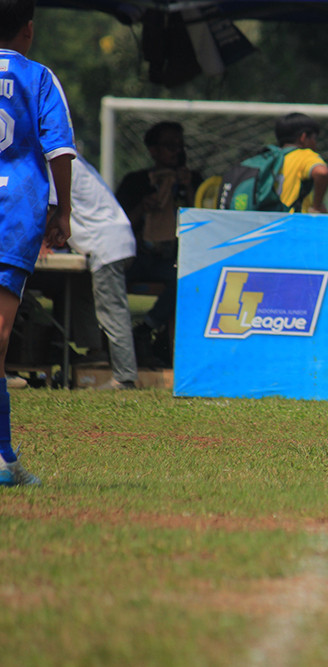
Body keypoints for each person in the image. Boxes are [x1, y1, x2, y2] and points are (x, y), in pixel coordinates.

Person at [0, 0, 76, 485]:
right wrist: (62, 210)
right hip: (13, 210)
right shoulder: (39, 77)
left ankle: (4, 453)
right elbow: (60, 148)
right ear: (28, 30)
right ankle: (3, 457)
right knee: (0, 331)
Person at [116, 121, 202, 365]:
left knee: (188, 279)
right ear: (153, 150)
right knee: (109, 277)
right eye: (169, 146)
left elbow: (204, 221)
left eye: (179, 146)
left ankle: (147, 329)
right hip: (139, 255)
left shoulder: (193, 179)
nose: (176, 151)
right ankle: (116, 342)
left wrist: (187, 188)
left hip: (174, 258)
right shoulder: (135, 181)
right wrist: (143, 207)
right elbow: (118, 224)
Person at [62, 156, 139, 389]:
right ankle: (95, 352)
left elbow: (51, 208)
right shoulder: (74, 162)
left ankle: (124, 377)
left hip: (107, 247)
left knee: (112, 311)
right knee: (85, 295)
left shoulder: (60, 165)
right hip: (112, 242)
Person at [274, 112, 328, 213]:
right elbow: (322, 172)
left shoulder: (270, 157)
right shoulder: (304, 155)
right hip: (293, 223)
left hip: (267, 223)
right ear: (303, 137)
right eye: (314, 138)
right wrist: (317, 205)